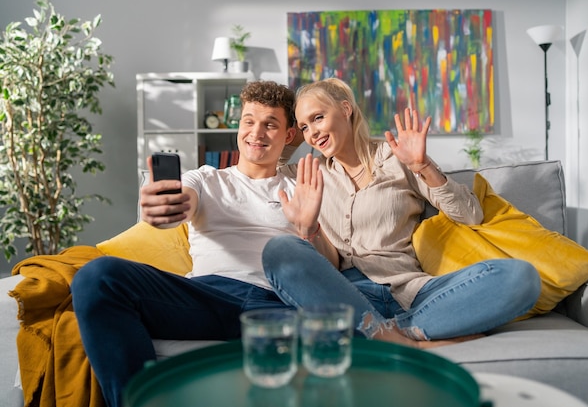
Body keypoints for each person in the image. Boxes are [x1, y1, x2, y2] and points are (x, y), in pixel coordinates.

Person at [71, 81, 331, 407]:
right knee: (97, 277)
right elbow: (183, 201)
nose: (257, 132)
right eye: (249, 121)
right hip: (209, 296)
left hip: (277, 302)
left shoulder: (303, 184)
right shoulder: (206, 178)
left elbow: (328, 266)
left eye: (270, 124)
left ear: (289, 134)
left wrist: (308, 228)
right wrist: (166, 209)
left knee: (337, 329)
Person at [264, 77, 542, 347]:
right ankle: (407, 339)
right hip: (348, 295)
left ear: (345, 109)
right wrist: (309, 229)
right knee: (280, 250)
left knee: (521, 277)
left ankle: (390, 334)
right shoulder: (309, 174)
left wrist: (423, 166)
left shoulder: (398, 156)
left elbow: (471, 215)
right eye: (303, 127)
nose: (311, 133)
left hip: (412, 293)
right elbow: (263, 161)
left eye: (317, 118)